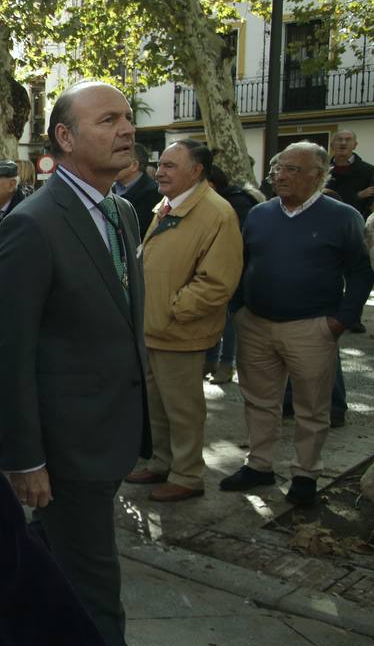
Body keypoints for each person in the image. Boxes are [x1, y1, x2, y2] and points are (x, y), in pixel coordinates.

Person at [0, 81, 149, 646]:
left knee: (52, 583)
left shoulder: (123, 212)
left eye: (128, 118)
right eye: (108, 120)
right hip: (65, 451)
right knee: (97, 598)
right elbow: (8, 354)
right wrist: (24, 458)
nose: (127, 129)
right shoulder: (33, 224)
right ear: (65, 137)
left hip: (110, 437)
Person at [222, 143, 374, 506]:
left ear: (317, 176)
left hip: (312, 327)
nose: (279, 176)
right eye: (277, 168)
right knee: (259, 401)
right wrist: (239, 308)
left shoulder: (342, 216)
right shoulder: (259, 214)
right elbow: (242, 263)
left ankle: (306, 474)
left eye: (291, 169)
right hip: (256, 324)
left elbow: (359, 272)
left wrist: (340, 320)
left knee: (311, 408)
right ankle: (259, 466)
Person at [123, 141, 242, 502]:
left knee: (183, 409)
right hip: (153, 328)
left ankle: (188, 475)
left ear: (196, 171)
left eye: (171, 166)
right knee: (158, 405)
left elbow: (217, 283)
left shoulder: (216, 213)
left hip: (179, 330)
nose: (160, 171)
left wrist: (173, 308)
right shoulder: (169, 204)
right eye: (161, 164)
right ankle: (162, 463)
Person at [204, 165, 260, 385]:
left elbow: (240, 243)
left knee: (227, 320)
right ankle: (211, 361)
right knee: (212, 316)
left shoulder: (237, 203)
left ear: (212, 184)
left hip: (235, 270)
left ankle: (226, 364)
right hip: (213, 267)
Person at [113, 143, 160, 236]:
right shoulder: (109, 189)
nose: (112, 164)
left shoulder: (154, 194)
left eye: (118, 160)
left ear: (134, 165)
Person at [327, 130, 373, 220]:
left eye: (348, 140)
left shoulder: (369, 171)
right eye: (339, 139)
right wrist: (357, 196)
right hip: (327, 220)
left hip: (356, 221)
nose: (343, 143)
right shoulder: (321, 170)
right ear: (332, 145)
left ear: (355, 145)